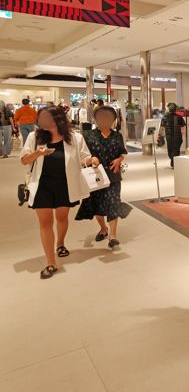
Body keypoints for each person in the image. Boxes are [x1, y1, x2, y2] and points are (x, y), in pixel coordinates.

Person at [19, 106, 96, 279]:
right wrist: (38, 153)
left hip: (65, 185)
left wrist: (92, 160)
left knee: (62, 218)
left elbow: (85, 157)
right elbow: (24, 161)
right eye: (40, 118)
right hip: (42, 186)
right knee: (45, 223)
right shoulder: (34, 137)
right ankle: (51, 262)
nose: (42, 121)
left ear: (58, 119)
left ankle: (60, 243)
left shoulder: (75, 138)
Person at [75, 106, 128, 248]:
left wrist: (119, 160)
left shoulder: (117, 136)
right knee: (97, 204)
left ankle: (113, 235)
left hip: (112, 174)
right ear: (96, 119)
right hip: (95, 175)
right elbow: (83, 155)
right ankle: (103, 229)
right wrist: (91, 160)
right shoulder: (88, 135)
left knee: (113, 202)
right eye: (101, 117)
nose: (104, 120)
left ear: (113, 119)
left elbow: (122, 153)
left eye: (108, 117)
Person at [161, 102, 186, 168]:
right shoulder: (179, 117)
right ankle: (174, 162)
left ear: (169, 109)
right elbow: (183, 128)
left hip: (169, 136)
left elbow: (162, 127)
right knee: (176, 149)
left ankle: (173, 162)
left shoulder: (165, 117)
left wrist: (159, 135)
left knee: (170, 149)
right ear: (175, 109)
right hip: (178, 136)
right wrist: (183, 136)